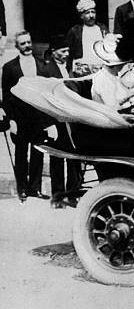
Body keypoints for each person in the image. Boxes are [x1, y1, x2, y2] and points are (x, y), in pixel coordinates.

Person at [1, 31, 52, 201]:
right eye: (23, 43)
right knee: (21, 154)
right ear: (17, 47)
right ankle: (22, 188)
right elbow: (6, 96)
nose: (27, 46)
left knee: (38, 152)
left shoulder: (42, 65)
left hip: (38, 116)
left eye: (29, 42)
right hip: (20, 117)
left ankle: (35, 188)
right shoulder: (9, 68)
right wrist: (11, 120)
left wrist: (47, 119)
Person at [39, 34, 81, 200]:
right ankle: (58, 195)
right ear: (54, 51)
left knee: (74, 158)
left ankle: (73, 193)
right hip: (56, 121)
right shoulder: (46, 70)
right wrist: (48, 125)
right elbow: (43, 100)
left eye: (68, 51)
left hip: (72, 120)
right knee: (57, 158)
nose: (66, 54)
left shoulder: (71, 67)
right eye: (63, 51)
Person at [66, 0, 109, 76]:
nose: (91, 16)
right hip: (82, 71)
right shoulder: (75, 31)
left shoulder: (102, 28)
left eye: (93, 12)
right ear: (81, 16)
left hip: (100, 69)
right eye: (87, 13)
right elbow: (69, 53)